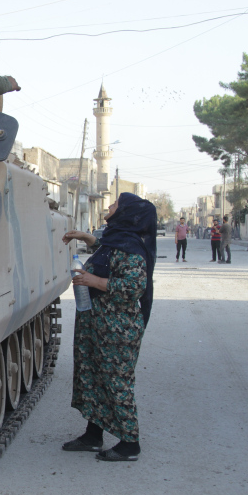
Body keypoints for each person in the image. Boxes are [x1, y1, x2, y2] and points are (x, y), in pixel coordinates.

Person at [60, 193, 157, 462]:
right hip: (98, 325)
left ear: (127, 214)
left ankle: (130, 444)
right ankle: (93, 435)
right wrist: (86, 237)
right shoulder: (118, 240)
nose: (110, 206)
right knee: (93, 378)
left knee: (116, 382)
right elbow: (107, 248)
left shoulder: (132, 249)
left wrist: (93, 281)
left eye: (115, 205)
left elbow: (133, 287)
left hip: (117, 329)